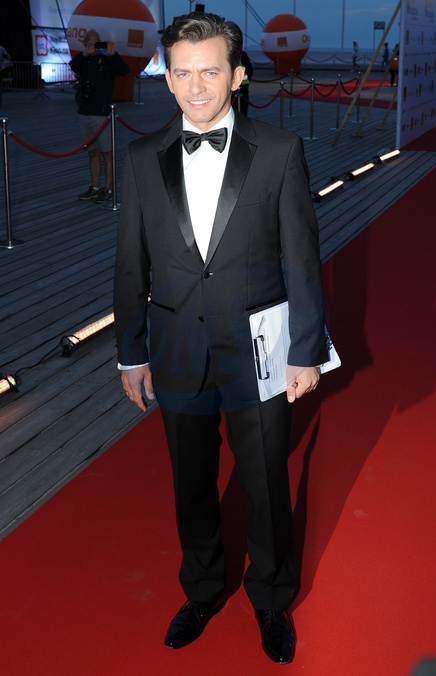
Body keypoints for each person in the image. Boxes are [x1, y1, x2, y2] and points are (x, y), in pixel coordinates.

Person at [114, 11, 328, 666]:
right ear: (167, 78)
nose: (196, 87)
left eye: (209, 72)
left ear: (236, 76)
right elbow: (130, 263)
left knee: (264, 480)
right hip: (176, 346)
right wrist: (130, 352)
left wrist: (305, 350)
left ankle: (271, 597)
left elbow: (302, 259)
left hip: (259, 346)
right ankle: (203, 588)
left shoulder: (280, 152)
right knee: (191, 483)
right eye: (182, 73)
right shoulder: (142, 158)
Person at [69, 30, 129, 203]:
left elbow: (124, 70)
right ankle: (95, 187)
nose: (93, 45)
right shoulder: (84, 61)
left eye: (96, 42)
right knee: (92, 153)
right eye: (89, 42)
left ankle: (108, 188)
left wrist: (113, 54)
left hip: (102, 115)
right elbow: (73, 66)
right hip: (85, 114)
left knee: (107, 153)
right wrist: (85, 54)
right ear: (84, 44)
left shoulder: (108, 60)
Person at [232, 49, 253, 116]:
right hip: (242, 84)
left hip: (239, 85)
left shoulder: (240, 54)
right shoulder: (242, 54)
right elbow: (250, 69)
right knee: (242, 106)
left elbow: (250, 69)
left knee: (240, 105)